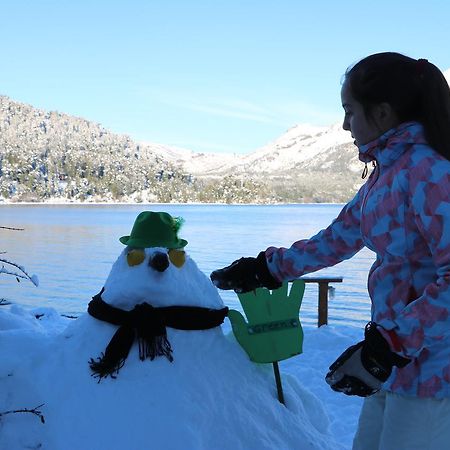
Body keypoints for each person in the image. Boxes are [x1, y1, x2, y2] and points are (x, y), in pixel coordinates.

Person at [210, 52, 450, 449]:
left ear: (383, 113)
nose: (344, 125)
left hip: (434, 372)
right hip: (396, 365)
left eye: (349, 111)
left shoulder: (431, 175)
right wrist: (268, 269)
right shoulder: (386, 177)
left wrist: (390, 346)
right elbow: (337, 238)